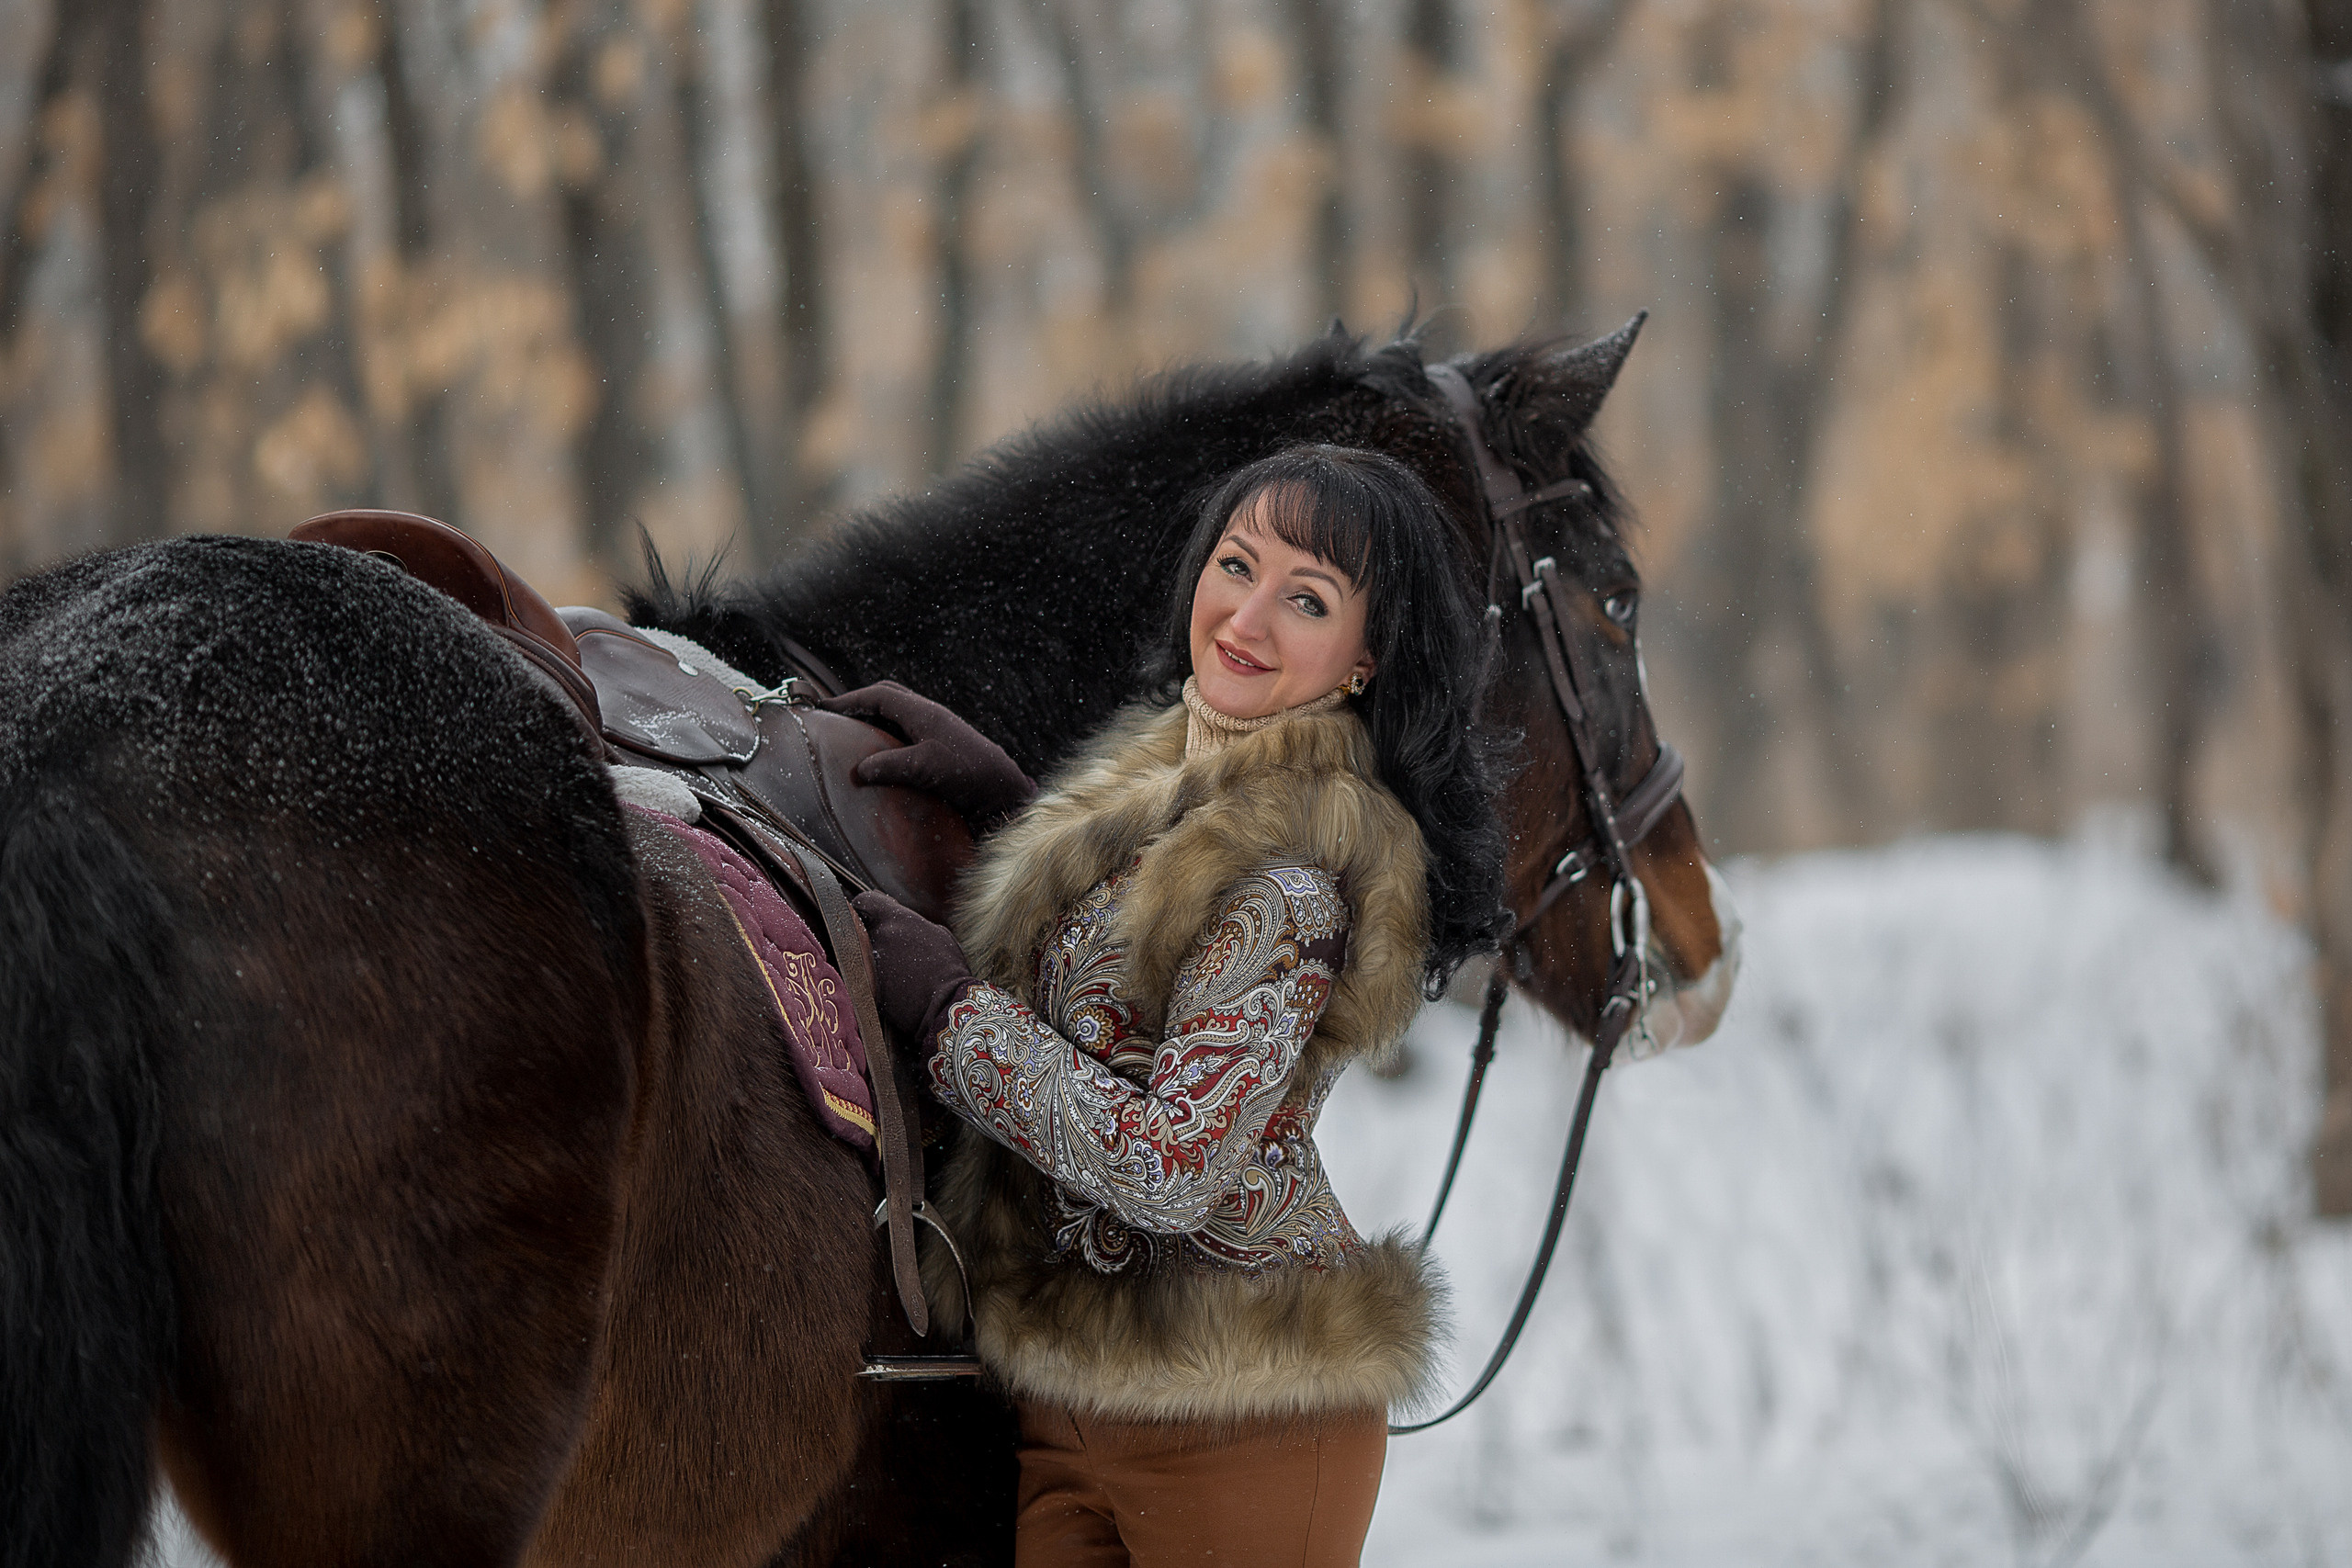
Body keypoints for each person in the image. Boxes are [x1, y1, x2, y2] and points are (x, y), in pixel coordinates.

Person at [835, 443, 1508, 1567]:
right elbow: (1115, 972)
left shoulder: (1295, 881)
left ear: (1364, 661)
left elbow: (1170, 1163)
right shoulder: (1169, 793)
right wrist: (1020, 818)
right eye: (1235, 566)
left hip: (1247, 1407)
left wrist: (950, 1013)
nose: (1247, 618)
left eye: (1306, 599)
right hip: (1069, 1397)